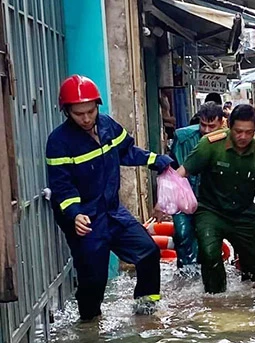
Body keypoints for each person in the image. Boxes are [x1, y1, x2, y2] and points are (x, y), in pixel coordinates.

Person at [46, 75, 173, 321]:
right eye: (78, 113)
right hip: (86, 220)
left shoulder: (107, 126)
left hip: (113, 212)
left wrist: (154, 160)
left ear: (97, 106)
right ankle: (89, 328)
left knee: (147, 252)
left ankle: (146, 311)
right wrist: (75, 214)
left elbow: (126, 151)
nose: (85, 118)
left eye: (90, 111)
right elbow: (61, 186)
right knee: (93, 279)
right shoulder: (59, 142)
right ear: (67, 112)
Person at [176, 104, 255, 293]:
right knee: (210, 255)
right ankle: (215, 301)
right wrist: (166, 200)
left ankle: (248, 305)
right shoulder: (210, 145)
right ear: (229, 125)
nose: (243, 137)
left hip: (243, 214)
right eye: (238, 131)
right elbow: (183, 172)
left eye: (248, 132)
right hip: (210, 211)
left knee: (253, 274)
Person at [170, 102, 224, 268]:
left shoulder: (229, 141)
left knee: (207, 239)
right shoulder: (182, 138)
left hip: (212, 200)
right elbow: (173, 170)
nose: (206, 130)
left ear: (221, 124)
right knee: (182, 233)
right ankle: (186, 275)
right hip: (184, 194)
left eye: (211, 126)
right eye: (203, 125)